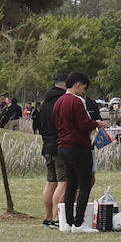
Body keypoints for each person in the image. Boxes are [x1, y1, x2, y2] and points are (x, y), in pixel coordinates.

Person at [53, 72, 98, 231]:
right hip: (78, 146)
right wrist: (97, 123)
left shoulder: (58, 102)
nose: (84, 92)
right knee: (85, 185)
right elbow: (84, 124)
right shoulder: (77, 101)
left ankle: (68, 222)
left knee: (71, 184)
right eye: (84, 88)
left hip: (63, 147)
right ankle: (79, 223)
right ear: (77, 85)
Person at [37, 74, 69, 227]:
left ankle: (48, 216)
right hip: (59, 145)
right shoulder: (61, 100)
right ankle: (57, 218)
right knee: (63, 182)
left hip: (47, 145)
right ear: (65, 84)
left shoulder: (46, 101)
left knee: (51, 182)